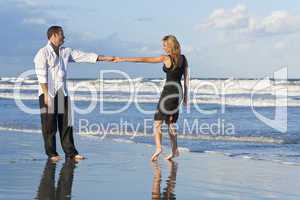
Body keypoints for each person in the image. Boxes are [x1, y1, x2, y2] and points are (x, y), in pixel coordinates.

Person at [34, 25, 114, 162]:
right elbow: (41, 75)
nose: (64, 37)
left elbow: (84, 56)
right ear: (53, 35)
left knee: (66, 124)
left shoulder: (66, 51)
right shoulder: (42, 53)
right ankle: (52, 153)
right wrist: (46, 94)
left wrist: (105, 58)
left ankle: (71, 152)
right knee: (49, 125)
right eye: (61, 34)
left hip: (62, 93)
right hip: (47, 93)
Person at [114, 35, 189, 161]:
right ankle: (175, 150)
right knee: (171, 123)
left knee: (157, 122)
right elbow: (186, 78)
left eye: (165, 45)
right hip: (178, 92)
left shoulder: (166, 58)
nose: (163, 48)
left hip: (169, 92)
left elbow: (144, 59)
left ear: (170, 45)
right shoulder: (183, 58)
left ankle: (159, 148)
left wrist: (122, 59)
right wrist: (186, 96)